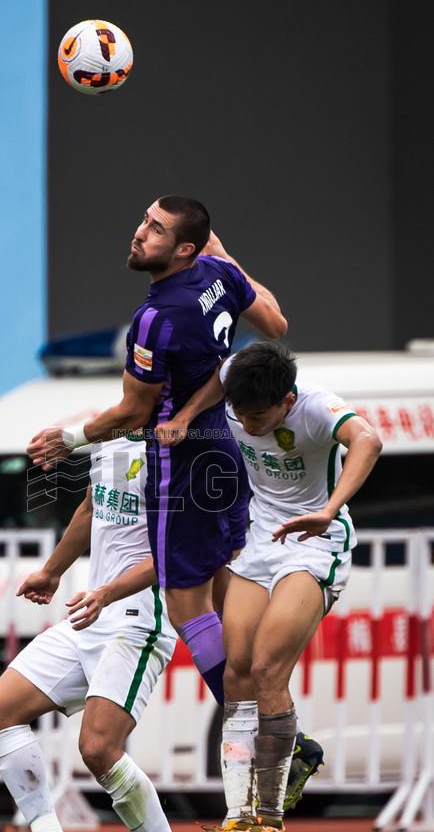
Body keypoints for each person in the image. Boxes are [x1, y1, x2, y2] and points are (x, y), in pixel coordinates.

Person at [27, 198, 287, 703]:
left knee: (187, 605)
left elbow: (134, 413)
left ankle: (254, 714)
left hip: (180, 464)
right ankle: (267, 707)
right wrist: (225, 256)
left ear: (184, 248)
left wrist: (70, 439)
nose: (140, 232)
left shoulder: (155, 317)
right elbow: (276, 323)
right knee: (224, 588)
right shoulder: (220, 273)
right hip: (224, 451)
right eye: (145, 220)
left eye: (156, 229)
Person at [154, 342, 382, 832]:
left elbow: (368, 440)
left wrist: (330, 509)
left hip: (314, 543)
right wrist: (187, 417)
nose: (247, 425)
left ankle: (272, 823)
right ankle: (237, 820)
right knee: (235, 670)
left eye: (258, 417)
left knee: (266, 669)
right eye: (240, 414)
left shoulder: (316, 407)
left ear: (287, 400)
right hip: (261, 542)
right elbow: (221, 369)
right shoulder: (236, 379)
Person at [0, 432, 205, 832]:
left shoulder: (179, 451)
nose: (126, 396)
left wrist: (107, 592)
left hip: (138, 621)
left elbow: (174, 552)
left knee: (99, 749)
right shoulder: (111, 439)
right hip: (91, 615)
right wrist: (52, 571)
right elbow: (90, 507)